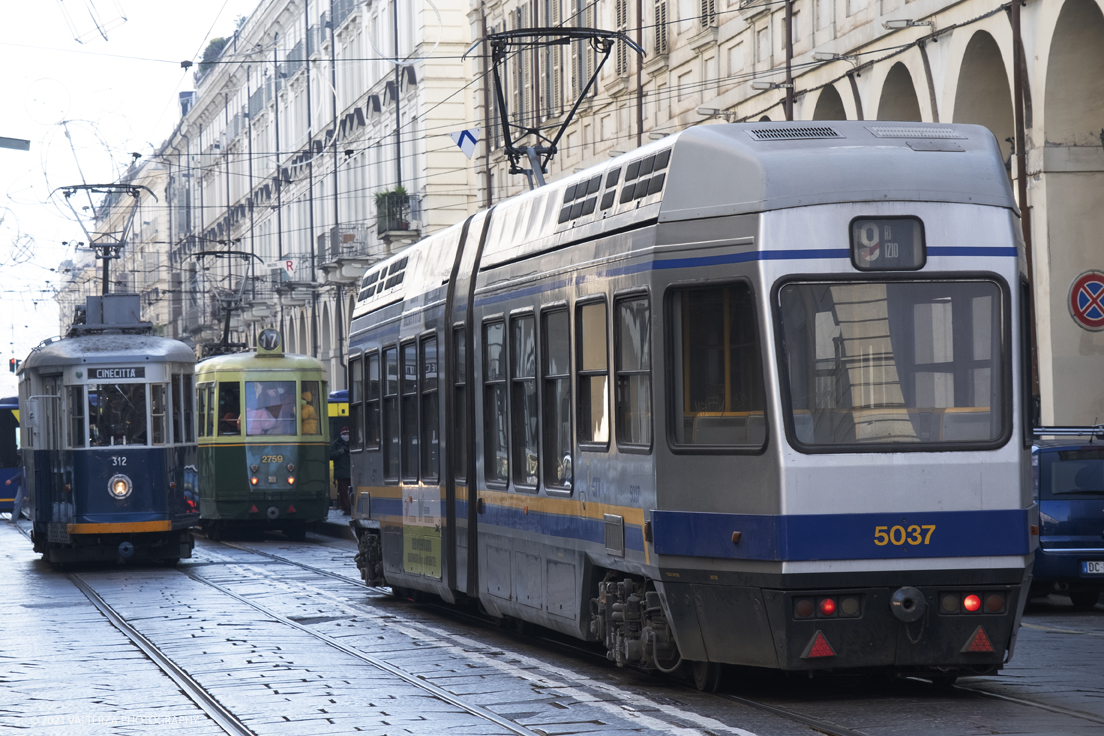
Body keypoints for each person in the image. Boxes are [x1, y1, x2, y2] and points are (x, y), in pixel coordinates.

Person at [329, 426, 351, 514]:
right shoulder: (336, 444)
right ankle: (346, 508)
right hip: (341, 472)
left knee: (352, 492)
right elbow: (329, 455)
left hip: (352, 472)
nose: (346, 435)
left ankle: (351, 507)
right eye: (344, 434)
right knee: (343, 492)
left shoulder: (354, 443)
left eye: (348, 434)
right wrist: (339, 453)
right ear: (341, 435)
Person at [6, 457, 25, 524]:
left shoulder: (22, 462)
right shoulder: (22, 461)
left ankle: (14, 520)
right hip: (22, 485)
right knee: (18, 502)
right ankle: (14, 519)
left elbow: (21, 473)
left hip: (23, 485)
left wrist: (11, 480)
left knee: (17, 501)